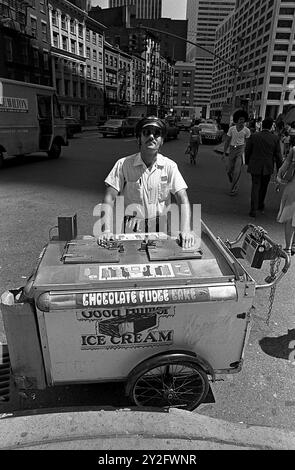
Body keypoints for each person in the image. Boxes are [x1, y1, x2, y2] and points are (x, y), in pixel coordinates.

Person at [98, 116, 196, 249]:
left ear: (162, 141)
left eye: (157, 133)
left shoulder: (169, 166)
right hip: (132, 229)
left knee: (160, 264)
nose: (152, 136)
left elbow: (182, 197)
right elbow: (109, 197)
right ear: (139, 138)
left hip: (160, 229)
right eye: (146, 132)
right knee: (132, 263)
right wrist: (106, 230)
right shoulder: (123, 165)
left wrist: (186, 229)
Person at [245, 118, 283, 218]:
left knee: (255, 186)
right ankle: (260, 205)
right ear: (271, 126)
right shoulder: (275, 138)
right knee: (264, 187)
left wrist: (248, 162)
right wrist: (280, 169)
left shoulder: (254, 136)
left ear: (262, 125)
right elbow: (278, 155)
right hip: (268, 166)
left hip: (255, 165)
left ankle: (253, 209)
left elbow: (247, 150)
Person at [223, 109, 251, 196]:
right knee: (229, 170)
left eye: (243, 120)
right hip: (232, 149)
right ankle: (233, 180)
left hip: (241, 150)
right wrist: (224, 152)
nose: (241, 122)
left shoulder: (247, 131)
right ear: (237, 120)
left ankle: (233, 188)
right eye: (240, 120)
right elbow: (227, 141)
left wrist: (247, 154)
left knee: (237, 170)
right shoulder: (232, 129)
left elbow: (248, 143)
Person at [276, 144, 295, 255]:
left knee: (289, 217)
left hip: (293, 187)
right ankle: (294, 245)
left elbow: (285, 165)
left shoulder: (294, 150)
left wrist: (279, 178)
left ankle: (288, 248)